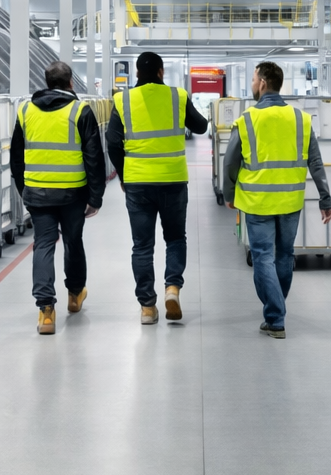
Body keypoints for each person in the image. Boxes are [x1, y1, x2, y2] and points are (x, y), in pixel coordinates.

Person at [222, 62, 331, 339]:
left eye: (252, 78)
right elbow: (316, 162)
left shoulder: (247, 119)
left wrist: (228, 193)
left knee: (263, 257)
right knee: (284, 256)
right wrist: (325, 199)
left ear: (262, 82)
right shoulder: (301, 119)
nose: (251, 84)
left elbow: (230, 163)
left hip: (257, 201)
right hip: (290, 201)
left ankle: (275, 317)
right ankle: (277, 306)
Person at [107, 52, 210, 325]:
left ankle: (147, 308)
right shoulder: (177, 96)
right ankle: (172, 288)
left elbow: (112, 142)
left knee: (142, 246)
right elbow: (201, 127)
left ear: (137, 73)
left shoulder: (122, 100)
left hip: (138, 182)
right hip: (174, 180)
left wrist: (124, 176)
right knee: (175, 238)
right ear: (162, 72)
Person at [11, 61, 107, 335]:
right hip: (73, 194)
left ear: (47, 81)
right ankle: (75, 295)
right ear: (71, 83)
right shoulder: (80, 111)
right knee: (73, 242)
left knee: (43, 245)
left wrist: (24, 189)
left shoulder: (26, 110)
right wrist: (95, 197)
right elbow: (94, 157)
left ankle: (46, 312)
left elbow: (16, 157)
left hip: (38, 193)